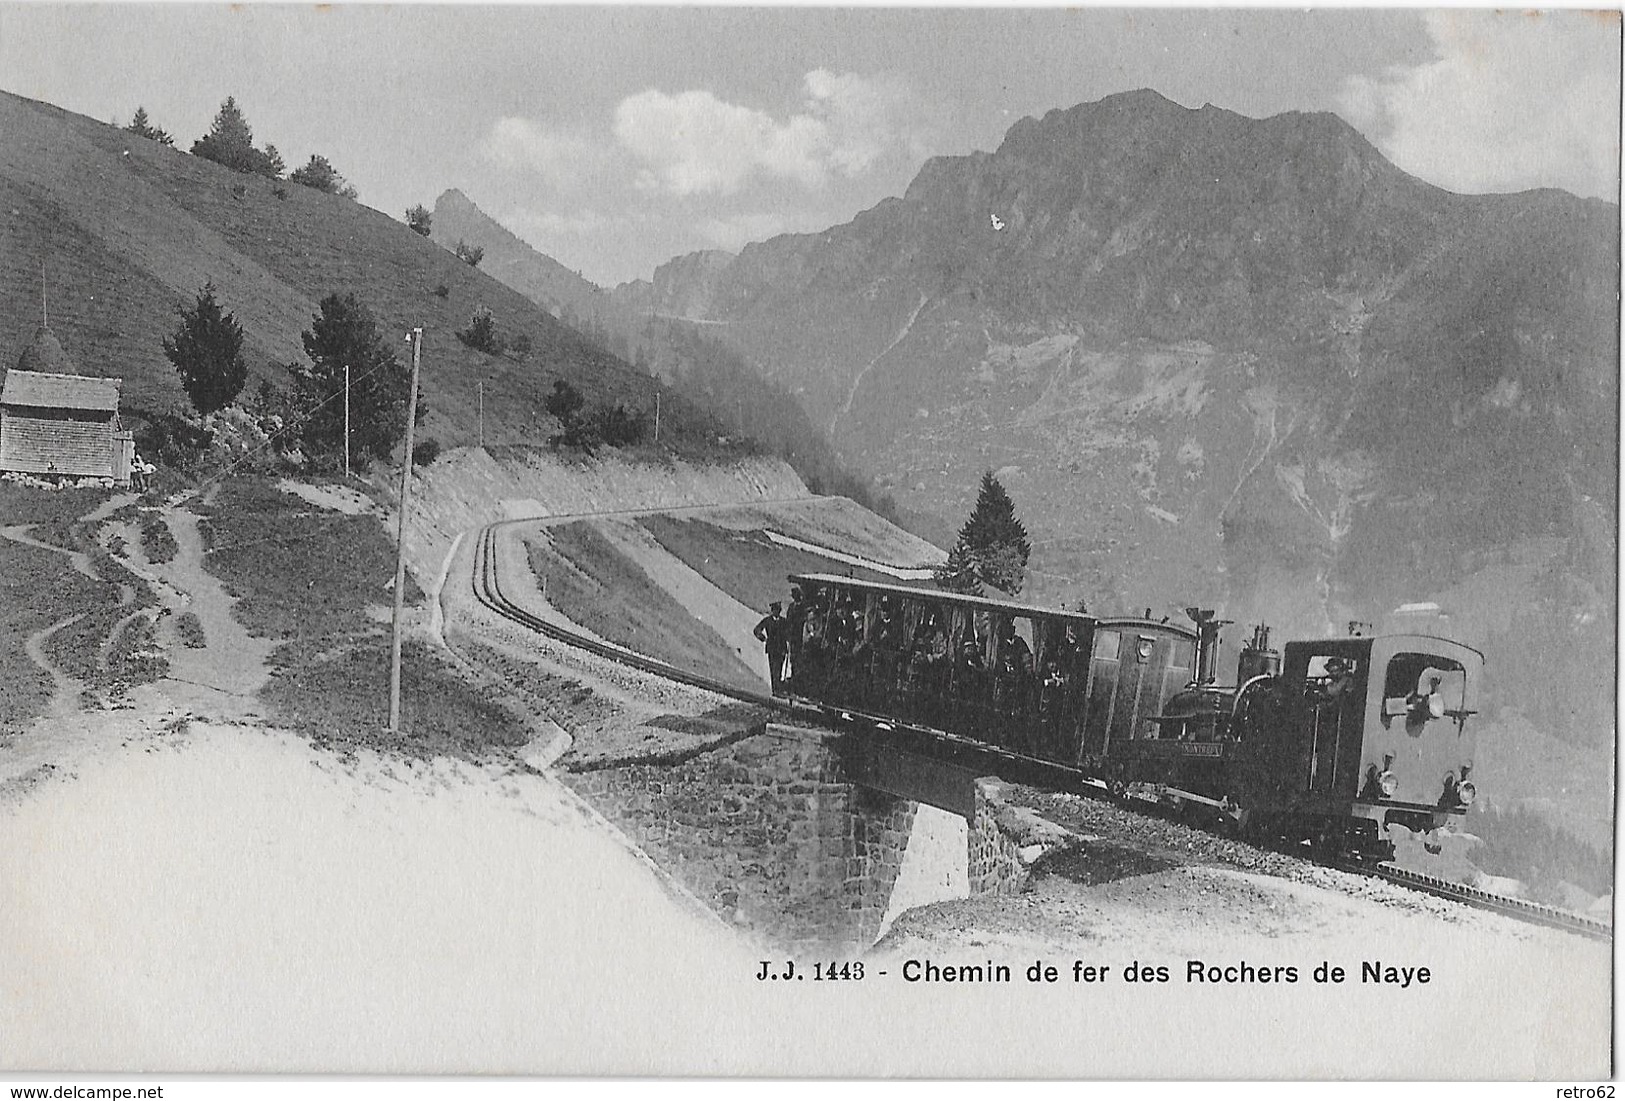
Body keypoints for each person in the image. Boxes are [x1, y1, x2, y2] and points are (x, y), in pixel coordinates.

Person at [754, 601, 791, 695]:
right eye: (775, 610)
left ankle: (778, 689)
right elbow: (757, 630)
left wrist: (788, 641)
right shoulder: (767, 621)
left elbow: (788, 633)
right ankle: (775, 690)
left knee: (779, 669)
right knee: (773, 669)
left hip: (781, 648)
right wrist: (763, 638)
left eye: (778, 610)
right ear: (772, 611)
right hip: (772, 648)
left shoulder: (784, 621)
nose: (777, 612)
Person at [784, 587, 808, 690]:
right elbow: (788, 621)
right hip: (793, 637)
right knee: (793, 658)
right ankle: (793, 678)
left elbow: (803, 621)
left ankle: (798, 681)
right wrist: (788, 633)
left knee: (800, 659)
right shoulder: (791, 607)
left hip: (800, 636)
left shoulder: (803, 608)